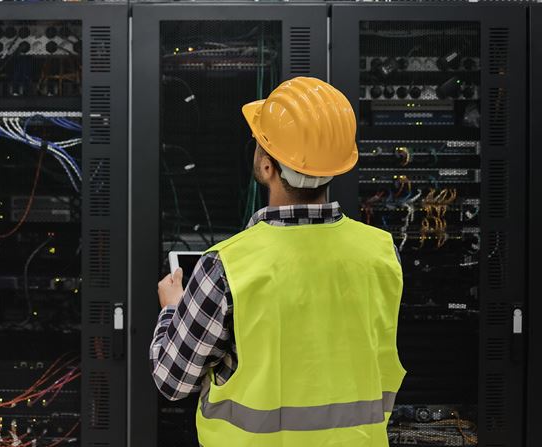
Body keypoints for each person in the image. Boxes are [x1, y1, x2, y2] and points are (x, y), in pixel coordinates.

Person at [151, 77, 405, 447]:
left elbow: (171, 380)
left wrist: (172, 310)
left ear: (267, 167)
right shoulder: (383, 252)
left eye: (260, 143)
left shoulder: (225, 266)